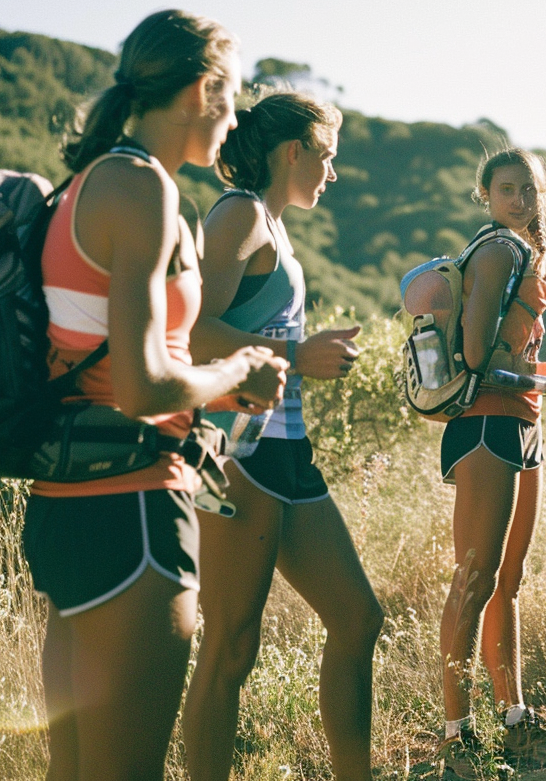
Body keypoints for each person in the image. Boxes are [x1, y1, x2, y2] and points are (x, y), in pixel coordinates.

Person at [22, 9, 287, 781]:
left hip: (67, 500)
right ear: (203, 89)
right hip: (134, 503)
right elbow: (142, 387)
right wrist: (236, 372)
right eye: (231, 100)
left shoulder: (91, 182)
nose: (233, 120)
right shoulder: (142, 190)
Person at [181, 91, 385, 781]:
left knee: (358, 619)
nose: (332, 173)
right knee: (231, 648)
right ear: (293, 149)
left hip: (287, 455)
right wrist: (298, 358)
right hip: (236, 455)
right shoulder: (238, 213)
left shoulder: (271, 222)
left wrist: (303, 358)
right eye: (326, 157)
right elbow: (189, 331)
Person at [436, 146, 546, 780]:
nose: (520, 199)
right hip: (487, 422)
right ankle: (456, 736)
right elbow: (472, 353)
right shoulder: (497, 250)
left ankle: (514, 721)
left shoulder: (527, 251)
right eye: (507, 190)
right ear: (486, 197)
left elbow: (502, 347)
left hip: (519, 418)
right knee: (475, 576)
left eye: (529, 189)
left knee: (507, 579)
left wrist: (542, 373)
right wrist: (530, 374)